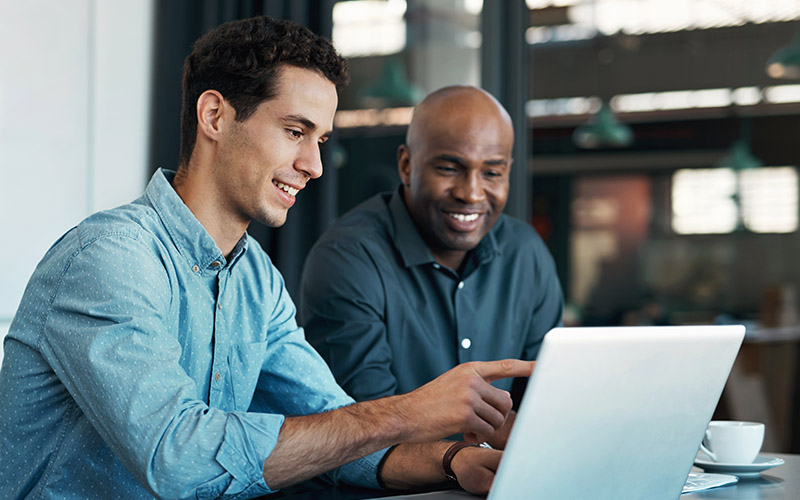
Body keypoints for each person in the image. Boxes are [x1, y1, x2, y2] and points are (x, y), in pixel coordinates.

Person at [0, 17, 532, 500]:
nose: (315, 165)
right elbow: (177, 457)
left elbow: (336, 429)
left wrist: (454, 459)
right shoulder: (110, 259)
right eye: (295, 132)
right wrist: (408, 413)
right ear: (214, 115)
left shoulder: (255, 278)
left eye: (321, 139)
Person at [300, 86, 563, 445]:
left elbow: (548, 402)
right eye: (450, 168)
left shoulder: (525, 253)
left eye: (492, 173)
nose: (471, 193)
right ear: (407, 165)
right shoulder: (349, 256)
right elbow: (365, 427)